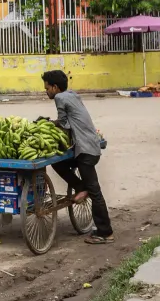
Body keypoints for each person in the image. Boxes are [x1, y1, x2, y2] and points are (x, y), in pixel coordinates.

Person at [43, 70, 114, 245]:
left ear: (55, 87)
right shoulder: (72, 94)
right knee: (58, 164)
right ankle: (81, 186)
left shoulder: (60, 98)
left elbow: (64, 124)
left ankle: (105, 233)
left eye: (47, 88)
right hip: (90, 146)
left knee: (95, 193)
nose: (46, 91)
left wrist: (47, 124)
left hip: (86, 150)